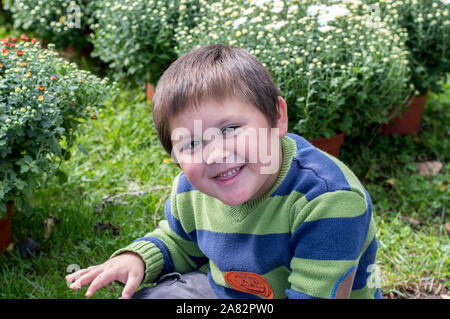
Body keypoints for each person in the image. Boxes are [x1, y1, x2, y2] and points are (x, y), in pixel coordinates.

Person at [66, 44, 381, 299]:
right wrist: (136, 259)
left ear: (277, 117)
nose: (215, 153)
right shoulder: (193, 190)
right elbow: (179, 241)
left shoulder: (327, 201)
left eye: (230, 128)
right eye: (191, 143)